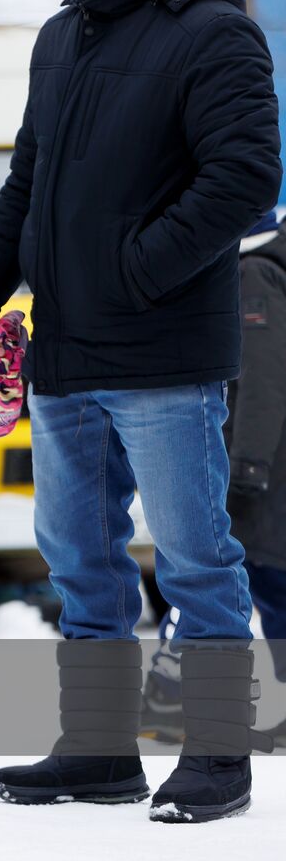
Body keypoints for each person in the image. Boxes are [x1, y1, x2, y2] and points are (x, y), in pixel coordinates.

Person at [0, 0, 281, 823]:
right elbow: (30, 179)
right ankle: (98, 747)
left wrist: (137, 269)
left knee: (194, 556)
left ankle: (219, 750)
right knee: (80, 557)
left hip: (166, 352)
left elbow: (248, 173)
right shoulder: (61, 36)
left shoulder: (215, 32)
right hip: (64, 352)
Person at [140, 214, 286, 748]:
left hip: (258, 465)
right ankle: (171, 692)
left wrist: (247, 466)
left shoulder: (254, 273)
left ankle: (169, 693)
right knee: (265, 582)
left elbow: (263, 379)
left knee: (207, 569)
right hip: (266, 464)